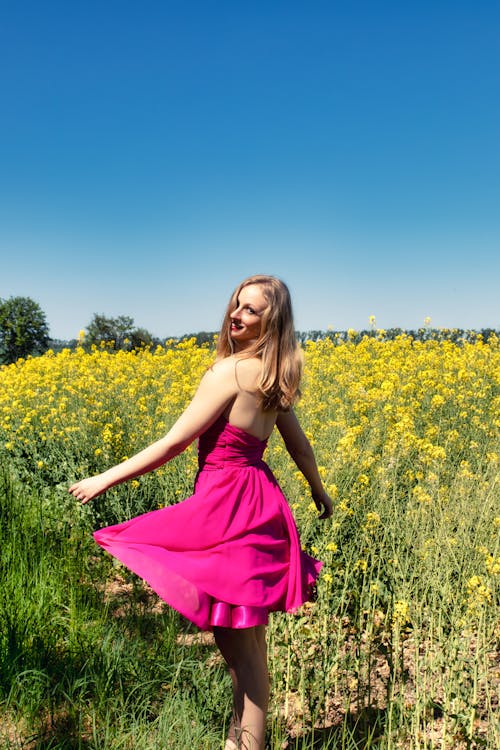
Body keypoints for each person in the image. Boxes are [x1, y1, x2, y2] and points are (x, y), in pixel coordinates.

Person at [69, 275, 333, 750]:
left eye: (251, 310)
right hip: (262, 503)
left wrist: (104, 478)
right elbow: (299, 447)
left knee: (242, 658)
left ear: (270, 319)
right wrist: (318, 491)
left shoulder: (230, 371)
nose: (237, 314)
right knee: (251, 647)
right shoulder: (273, 377)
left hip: (228, 509)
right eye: (237, 304)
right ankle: (240, 742)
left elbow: (173, 443)